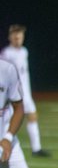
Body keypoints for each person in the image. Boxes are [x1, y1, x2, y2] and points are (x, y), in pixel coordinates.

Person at [1, 25, 50, 158]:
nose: (18, 39)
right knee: (8, 121)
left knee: (32, 116)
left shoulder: (24, 51)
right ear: (10, 37)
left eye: (20, 36)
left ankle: (36, 149)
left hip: (25, 92)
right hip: (13, 94)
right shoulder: (6, 53)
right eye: (15, 36)